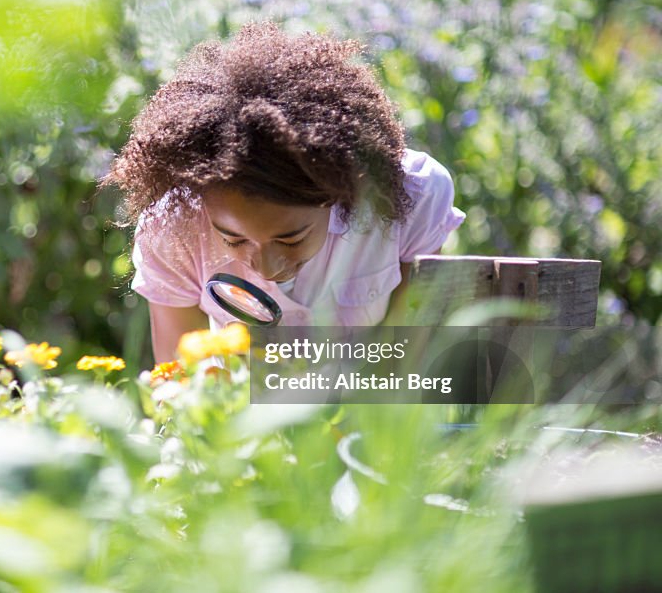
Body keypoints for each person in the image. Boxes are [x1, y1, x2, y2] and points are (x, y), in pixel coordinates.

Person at [102, 22, 465, 363]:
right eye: (233, 239)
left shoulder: (415, 196)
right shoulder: (173, 229)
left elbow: (404, 364)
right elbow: (182, 385)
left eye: (291, 239)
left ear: (340, 191)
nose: (267, 266)